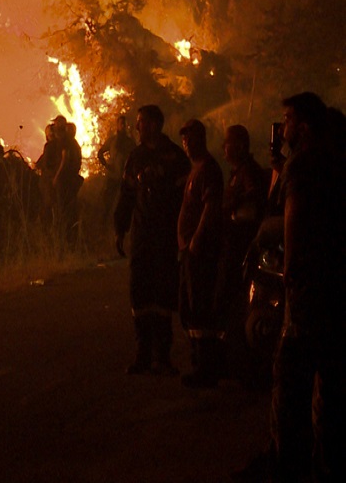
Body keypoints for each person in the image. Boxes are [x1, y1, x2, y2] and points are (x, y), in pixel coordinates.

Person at [268, 92, 345, 482]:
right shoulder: (335, 160)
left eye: (288, 118)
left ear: (305, 124)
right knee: (330, 393)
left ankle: (290, 470)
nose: (283, 127)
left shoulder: (304, 166)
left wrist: (290, 276)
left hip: (309, 297)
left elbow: (295, 229)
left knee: (291, 388)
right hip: (336, 293)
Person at [114, 105, 191, 375]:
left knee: (163, 294)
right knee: (140, 292)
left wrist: (185, 235)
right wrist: (120, 228)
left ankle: (163, 356)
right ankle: (143, 354)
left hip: (166, 236)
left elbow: (187, 200)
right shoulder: (135, 157)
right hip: (142, 234)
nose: (138, 128)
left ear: (156, 125)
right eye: (138, 123)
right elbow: (126, 194)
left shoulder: (175, 158)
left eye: (142, 123)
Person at [177, 119, 225, 388]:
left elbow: (210, 207)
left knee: (200, 306)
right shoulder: (194, 169)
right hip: (188, 249)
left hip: (200, 250)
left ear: (201, 139)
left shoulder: (208, 169)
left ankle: (206, 368)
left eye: (191, 139)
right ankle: (199, 363)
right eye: (184, 139)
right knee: (189, 305)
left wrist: (196, 238)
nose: (187, 144)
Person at [219, 124, 267, 382]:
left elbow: (253, 198)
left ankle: (244, 366)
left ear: (239, 146)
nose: (223, 148)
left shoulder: (248, 173)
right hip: (234, 243)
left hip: (242, 246)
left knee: (238, 302)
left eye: (227, 143)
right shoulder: (237, 172)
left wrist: (234, 204)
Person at [98, 115, 136, 223]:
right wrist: (106, 165)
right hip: (112, 177)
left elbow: (137, 156)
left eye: (125, 124)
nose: (123, 126)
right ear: (117, 126)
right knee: (107, 204)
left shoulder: (130, 142)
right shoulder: (112, 141)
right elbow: (100, 153)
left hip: (125, 178)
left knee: (123, 205)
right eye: (121, 124)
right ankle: (103, 226)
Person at [54, 121, 83, 238]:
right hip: (72, 180)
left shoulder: (68, 144)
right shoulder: (75, 145)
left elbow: (65, 160)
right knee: (70, 207)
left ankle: (67, 235)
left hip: (67, 180)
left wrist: (57, 176)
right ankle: (71, 234)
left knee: (65, 208)